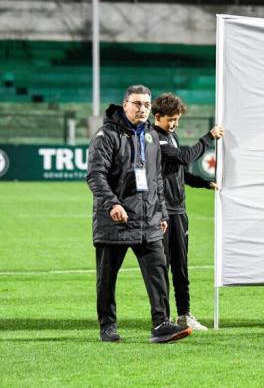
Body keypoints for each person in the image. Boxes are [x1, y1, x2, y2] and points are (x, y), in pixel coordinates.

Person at [87, 85, 192, 343]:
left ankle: (161, 324)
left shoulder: (151, 136)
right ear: (125, 105)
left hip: (149, 220)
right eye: (136, 104)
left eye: (146, 104)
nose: (142, 109)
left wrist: (164, 213)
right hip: (115, 221)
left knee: (158, 273)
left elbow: (156, 178)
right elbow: (95, 175)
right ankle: (108, 326)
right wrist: (113, 204)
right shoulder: (106, 135)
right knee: (107, 277)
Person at [152, 93, 224, 331]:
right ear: (158, 116)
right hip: (162, 213)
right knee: (163, 267)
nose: (174, 124)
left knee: (181, 267)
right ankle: (164, 319)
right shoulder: (154, 139)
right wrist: (208, 138)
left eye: (177, 120)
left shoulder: (171, 136)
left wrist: (203, 183)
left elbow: (178, 173)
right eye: (171, 119)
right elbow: (183, 158)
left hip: (179, 212)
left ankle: (184, 315)